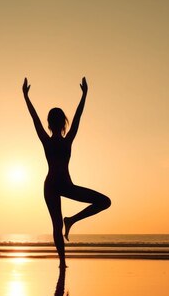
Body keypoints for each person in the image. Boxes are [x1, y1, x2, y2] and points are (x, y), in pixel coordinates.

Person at [22, 77, 111, 268]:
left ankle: (70, 225)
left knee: (100, 203)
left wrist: (26, 97)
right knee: (58, 224)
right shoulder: (62, 140)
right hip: (56, 186)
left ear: (52, 123)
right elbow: (75, 117)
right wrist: (84, 94)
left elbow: (35, 118)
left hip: (59, 185)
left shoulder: (54, 140)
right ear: (63, 123)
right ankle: (62, 262)